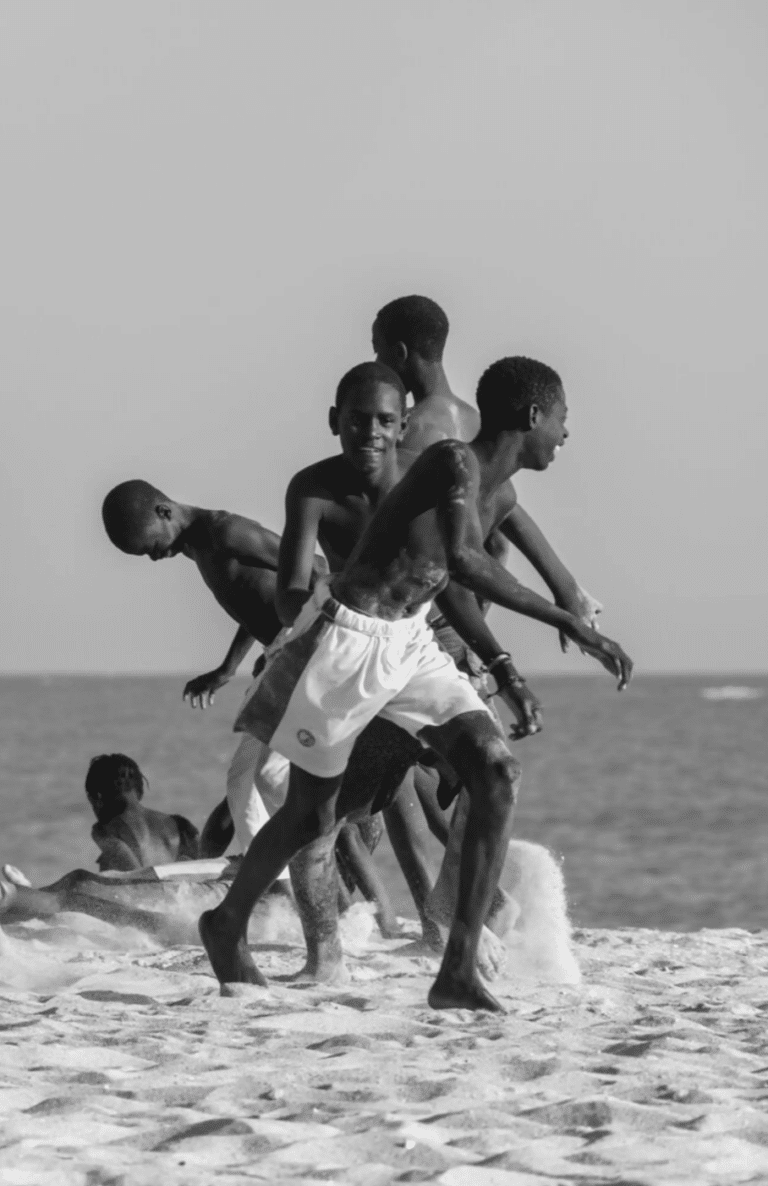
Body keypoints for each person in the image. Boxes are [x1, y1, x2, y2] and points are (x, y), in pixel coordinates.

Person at [199, 355, 633, 1011]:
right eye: (565, 420)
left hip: (413, 642)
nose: (567, 436)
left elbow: (452, 578)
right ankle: (227, 922)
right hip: (348, 641)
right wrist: (567, 619)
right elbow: (462, 558)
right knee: (311, 814)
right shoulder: (450, 462)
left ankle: (456, 967)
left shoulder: (502, 493)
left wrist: (508, 663)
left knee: (496, 771)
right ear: (535, 416)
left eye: (385, 420)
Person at [100, 481, 406, 931]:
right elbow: (253, 601)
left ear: (165, 511)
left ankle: (325, 903)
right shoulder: (197, 547)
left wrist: (296, 634)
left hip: (307, 651)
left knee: (258, 781)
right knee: (261, 783)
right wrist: (227, 669)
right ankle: (328, 901)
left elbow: (312, 569)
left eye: (149, 547)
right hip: (286, 656)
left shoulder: (225, 532)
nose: (153, 557)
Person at [86, 753, 200, 871]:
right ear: (139, 789)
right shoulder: (183, 827)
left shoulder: (107, 831)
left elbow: (134, 878)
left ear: (97, 798)